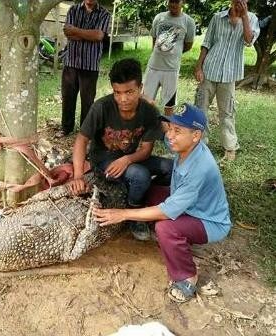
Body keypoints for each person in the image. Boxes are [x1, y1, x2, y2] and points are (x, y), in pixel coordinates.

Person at [93, 104, 232, 303]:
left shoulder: (200, 168)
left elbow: (166, 211)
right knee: (151, 193)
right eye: (171, 128)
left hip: (208, 220)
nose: (170, 136)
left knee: (165, 227)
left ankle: (187, 277)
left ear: (196, 135)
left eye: (178, 130)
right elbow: (161, 128)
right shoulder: (183, 144)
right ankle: (175, 240)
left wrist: (122, 214)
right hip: (190, 206)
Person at [68, 58, 173, 238]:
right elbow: (81, 140)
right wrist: (78, 175)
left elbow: (146, 150)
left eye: (129, 92)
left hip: (130, 157)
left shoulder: (149, 111)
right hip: (104, 160)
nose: (123, 99)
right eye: (117, 92)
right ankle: (134, 216)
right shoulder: (101, 107)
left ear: (140, 88)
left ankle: (142, 197)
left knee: (171, 168)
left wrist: (127, 159)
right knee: (139, 175)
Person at [194, 0, 259, 161]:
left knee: (227, 112)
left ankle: (230, 147)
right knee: (201, 108)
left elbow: (249, 41)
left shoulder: (252, 19)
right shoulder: (217, 17)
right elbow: (207, 43)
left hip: (229, 74)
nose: (239, 3)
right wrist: (198, 67)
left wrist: (244, 17)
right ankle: (199, 144)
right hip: (210, 69)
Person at [57, 0, 111, 138]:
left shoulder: (104, 14)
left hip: (90, 64)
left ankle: (85, 132)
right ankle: (66, 128)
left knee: (87, 101)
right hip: (71, 62)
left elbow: (99, 36)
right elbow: (67, 33)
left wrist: (76, 31)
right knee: (68, 97)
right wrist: (89, 34)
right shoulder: (73, 10)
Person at [143, 0, 196, 116]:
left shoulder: (189, 22)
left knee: (169, 105)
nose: (173, 4)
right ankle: (146, 127)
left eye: (177, 1)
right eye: (171, 1)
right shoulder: (159, 17)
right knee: (145, 101)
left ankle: (167, 131)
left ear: (183, 2)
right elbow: (154, 39)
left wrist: (173, 53)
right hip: (154, 67)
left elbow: (188, 45)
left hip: (171, 69)